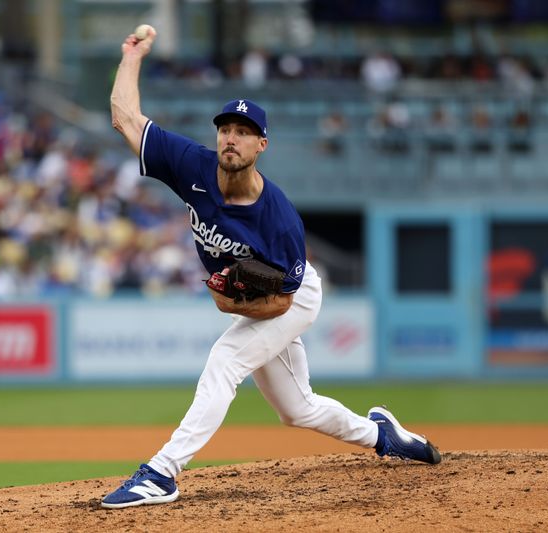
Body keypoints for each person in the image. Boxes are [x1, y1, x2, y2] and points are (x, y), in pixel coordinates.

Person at [100, 27, 441, 510]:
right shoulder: (191, 166)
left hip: (293, 295)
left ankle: (162, 473)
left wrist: (229, 300)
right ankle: (383, 435)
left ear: (262, 145)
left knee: (225, 362)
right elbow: (125, 118)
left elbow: (281, 299)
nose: (231, 139)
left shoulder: (278, 218)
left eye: (243, 132)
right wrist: (131, 56)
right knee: (296, 409)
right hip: (260, 293)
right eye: (225, 129)